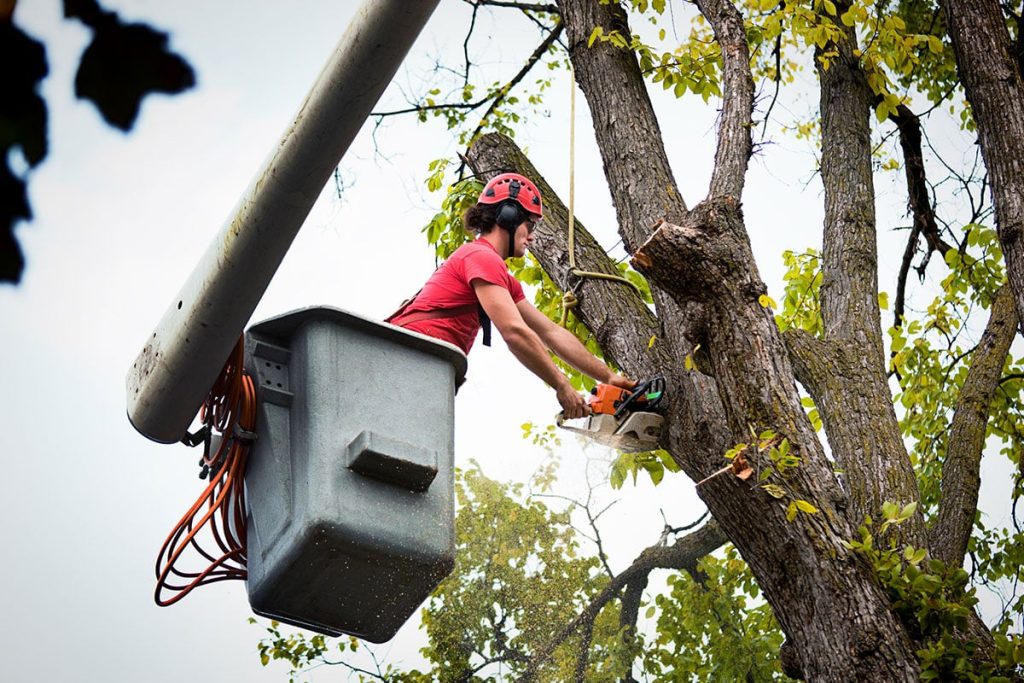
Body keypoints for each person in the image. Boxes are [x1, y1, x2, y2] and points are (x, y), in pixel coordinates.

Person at [388, 172, 633, 419]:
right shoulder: (481, 257)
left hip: (423, 364)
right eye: (530, 225)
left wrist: (609, 377)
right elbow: (514, 331)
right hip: (403, 358)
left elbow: (551, 332)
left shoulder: (499, 277)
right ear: (508, 216)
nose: (532, 236)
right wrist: (562, 385)